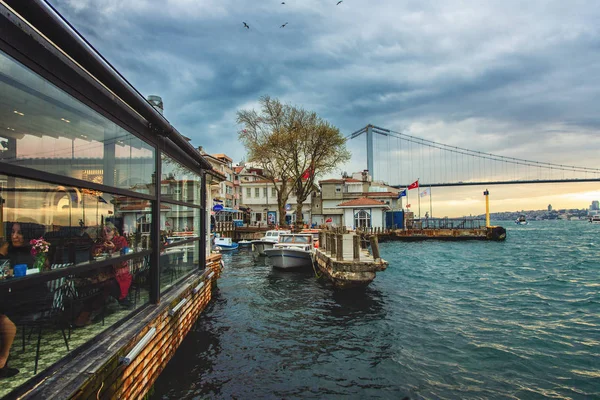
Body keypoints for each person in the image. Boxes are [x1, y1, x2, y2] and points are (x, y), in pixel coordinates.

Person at [73, 222, 133, 327]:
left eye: (108, 231)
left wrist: (113, 248)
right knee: (94, 285)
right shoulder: (100, 242)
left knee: (105, 286)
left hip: (118, 274)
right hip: (101, 274)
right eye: (103, 231)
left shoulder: (120, 240)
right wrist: (99, 250)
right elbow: (93, 254)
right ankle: (87, 312)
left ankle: (89, 313)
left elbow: (124, 259)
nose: (105, 233)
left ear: (114, 231)